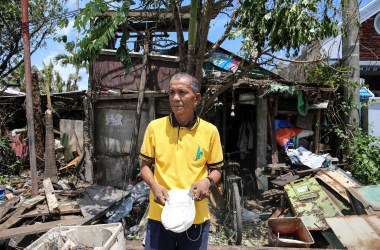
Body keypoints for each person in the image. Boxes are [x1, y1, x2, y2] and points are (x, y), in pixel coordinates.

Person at [139, 72, 224, 250]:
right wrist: (154, 185)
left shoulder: (210, 131)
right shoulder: (155, 127)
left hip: (195, 214)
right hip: (160, 213)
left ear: (196, 98)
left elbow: (216, 170)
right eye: (171, 93)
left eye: (182, 92)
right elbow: (145, 166)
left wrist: (206, 182)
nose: (176, 98)